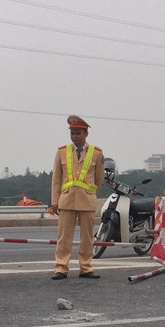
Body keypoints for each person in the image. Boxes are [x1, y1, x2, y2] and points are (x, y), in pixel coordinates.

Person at [48, 115, 104, 280]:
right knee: (64, 237)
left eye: (78, 133)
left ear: (86, 134)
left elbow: (99, 178)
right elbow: (56, 180)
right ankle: (61, 268)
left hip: (87, 201)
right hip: (66, 201)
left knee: (86, 237)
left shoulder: (96, 153)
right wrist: (54, 202)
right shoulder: (62, 152)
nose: (75, 136)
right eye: (72, 133)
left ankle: (86, 268)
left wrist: (90, 192)